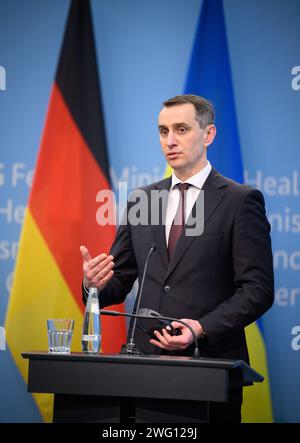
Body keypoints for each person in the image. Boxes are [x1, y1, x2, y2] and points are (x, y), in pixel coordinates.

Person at [80, 94, 274, 422]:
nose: (170, 141)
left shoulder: (240, 202)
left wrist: (200, 328)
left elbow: (257, 289)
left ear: (208, 134)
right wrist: (93, 285)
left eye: (181, 129)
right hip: (142, 368)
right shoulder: (142, 200)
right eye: (163, 131)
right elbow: (119, 283)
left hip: (209, 369)